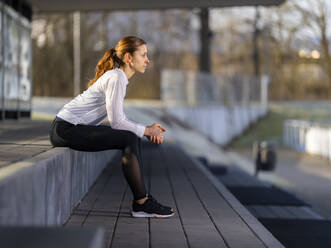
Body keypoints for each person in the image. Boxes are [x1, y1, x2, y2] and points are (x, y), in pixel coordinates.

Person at [49, 36, 174, 218]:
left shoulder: (118, 77)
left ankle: (142, 200)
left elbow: (118, 120)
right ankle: (141, 202)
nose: (148, 60)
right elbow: (117, 122)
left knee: (130, 136)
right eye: (143, 55)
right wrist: (147, 131)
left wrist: (145, 130)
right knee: (129, 137)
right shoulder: (116, 77)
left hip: (68, 129)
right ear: (128, 57)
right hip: (65, 129)